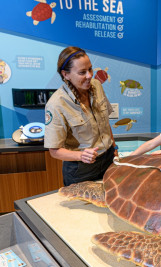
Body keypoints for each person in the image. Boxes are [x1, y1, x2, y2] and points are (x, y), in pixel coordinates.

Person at [44, 46, 118, 186]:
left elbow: (105, 123)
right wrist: (81, 155)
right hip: (81, 169)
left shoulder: (96, 85)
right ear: (66, 74)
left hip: (108, 159)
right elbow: (54, 151)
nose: (89, 75)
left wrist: (114, 148)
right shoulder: (56, 104)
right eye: (82, 72)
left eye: (90, 69)